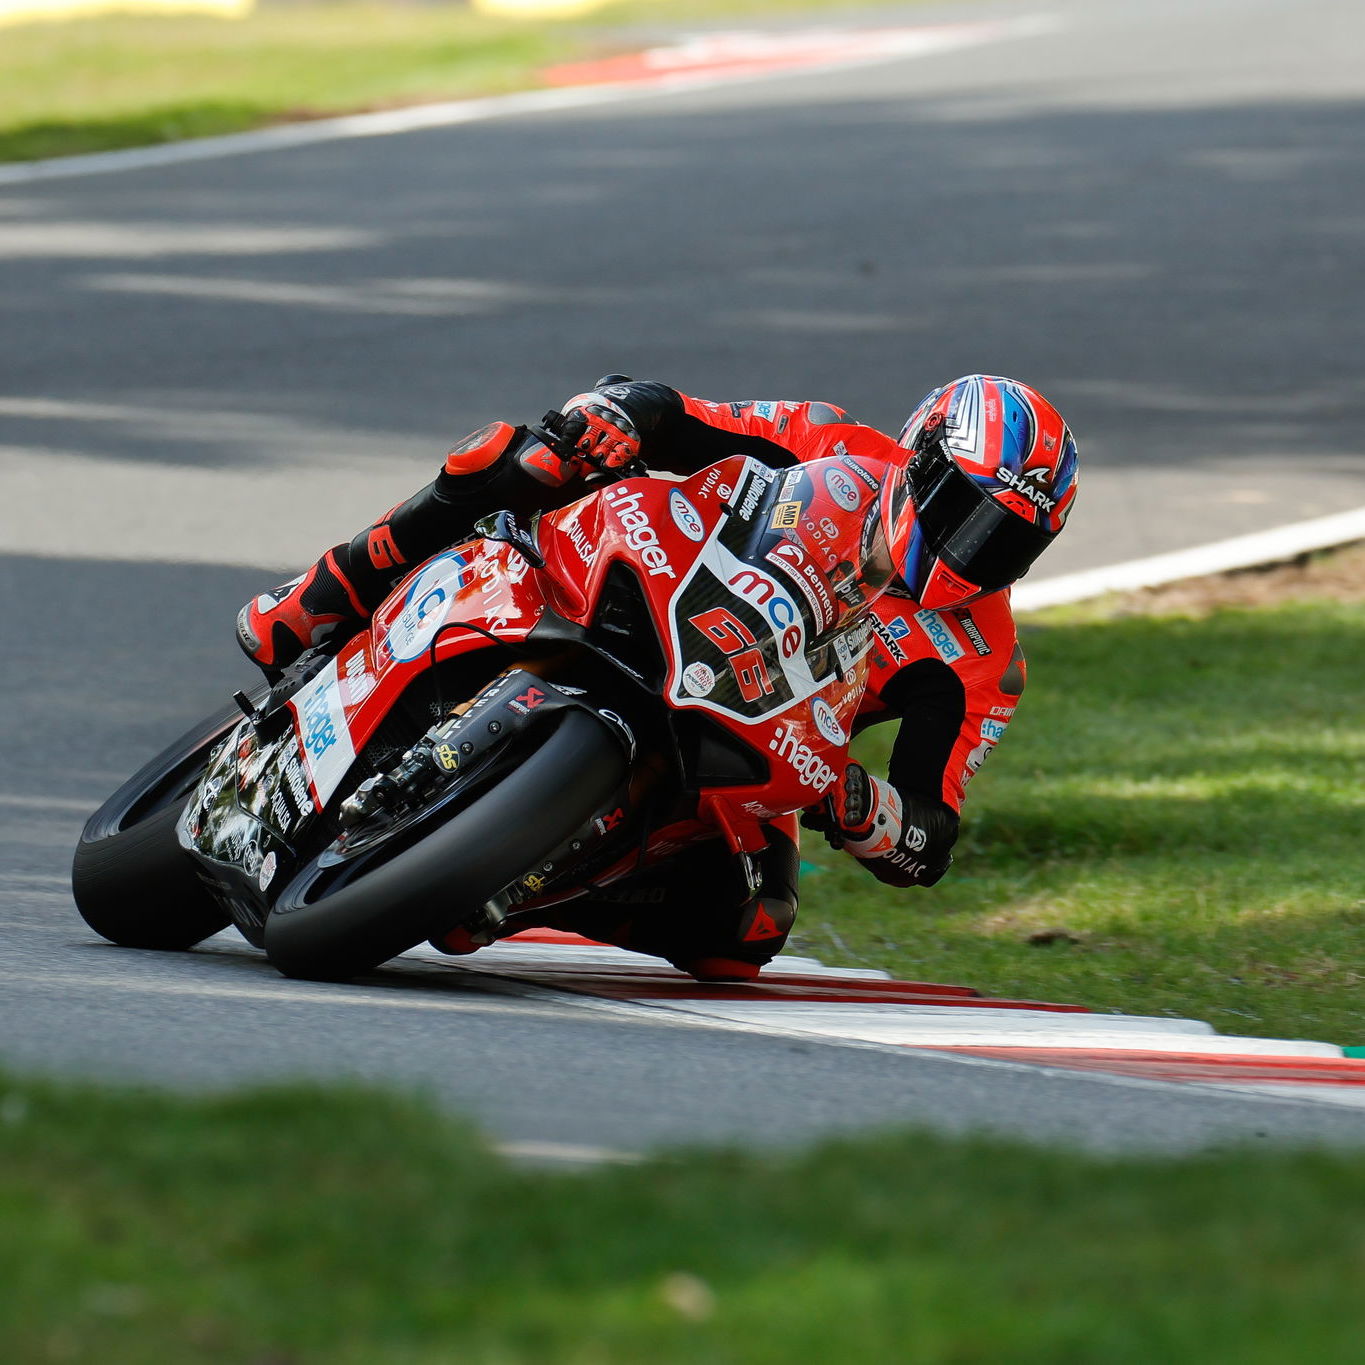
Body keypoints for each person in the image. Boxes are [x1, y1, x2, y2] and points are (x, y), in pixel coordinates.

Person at [236, 374, 1078, 980]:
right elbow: (684, 418)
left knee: (747, 934)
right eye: (963, 512)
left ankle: (504, 878)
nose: (972, 552)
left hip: (755, 734)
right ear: (919, 455)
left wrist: (859, 807)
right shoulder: (835, 441)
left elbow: (929, 831)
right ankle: (323, 593)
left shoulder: (981, 661)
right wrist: (618, 415)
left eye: (1004, 540)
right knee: (525, 460)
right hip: (659, 587)